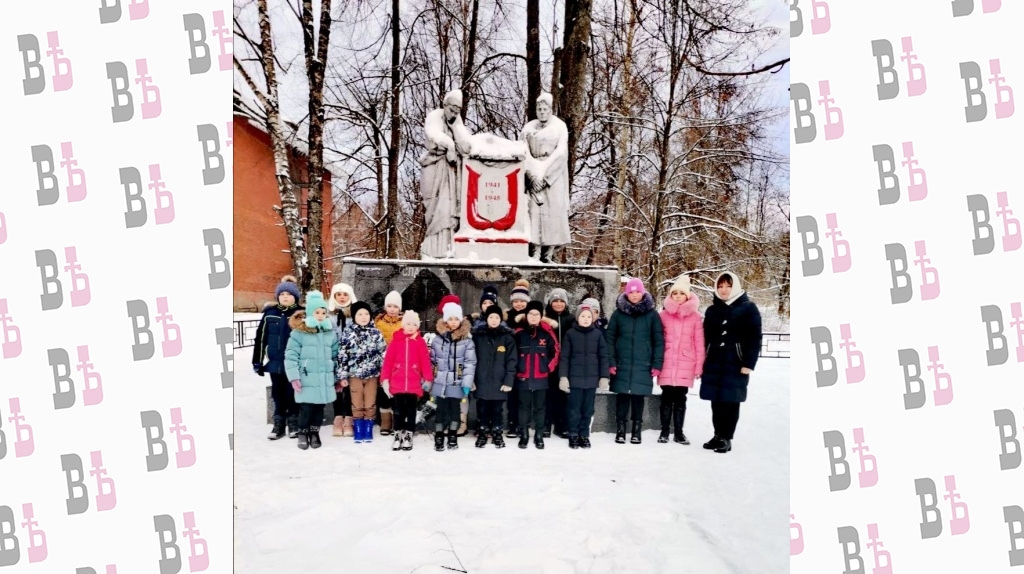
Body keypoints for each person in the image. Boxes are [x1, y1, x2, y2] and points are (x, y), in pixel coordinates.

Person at [700, 272, 763, 454]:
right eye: (720, 286)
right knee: (716, 400)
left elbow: (755, 338)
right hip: (714, 361)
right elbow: (705, 337)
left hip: (736, 362)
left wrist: (749, 363)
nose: (724, 290)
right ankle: (717, 435)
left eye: (728, 286)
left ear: (735, 286)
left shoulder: (748, 308)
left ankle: (726, 438)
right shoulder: (712, 310)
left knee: (730, 400)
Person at [606, 278, 665, 445]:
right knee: (622, 396)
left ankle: (636, 430)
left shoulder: (652, 315)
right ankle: (620, 429)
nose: (634, 295)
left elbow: (658, 340)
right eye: (631, 292)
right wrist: (611, 361)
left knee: (639, 397)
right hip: (622, 363)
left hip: (643, 364)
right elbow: (609, 338)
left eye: (637, 291)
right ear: (626, 293)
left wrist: (657, 363)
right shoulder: (618, 314)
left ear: (643, 292)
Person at [420, 89, 474, 258]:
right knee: (435, 208)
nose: (453, 114)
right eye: (451, 110)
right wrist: (450, 145)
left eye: (457, 111)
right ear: (445, 105)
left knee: (448, 210)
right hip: (434, 167)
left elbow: (466, 147)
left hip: (451, 174)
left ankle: (447, 248)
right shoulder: (435, 116)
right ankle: (433, 249)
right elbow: (432, 135)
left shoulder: (457, 122)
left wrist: (455, 128)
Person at [284, 291, 340, 450]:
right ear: (310, 313)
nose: (321, 316)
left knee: (319, 407)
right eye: (317, 312)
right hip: (306, 377)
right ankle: (303, 432)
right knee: (306, 407)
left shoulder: (329, 333)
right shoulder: (299, 333)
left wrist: (337, 377)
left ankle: (315, 432)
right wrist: (294, 377)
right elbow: (291, 355)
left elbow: (335, 355)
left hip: (324, 378)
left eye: (323, 312)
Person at [521, 92, 571, 263]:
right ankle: (535, 251)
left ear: (550, 110)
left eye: (545, 109)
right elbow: (523, 152)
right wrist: (532, 176)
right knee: (534, 213)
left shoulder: (560, 127)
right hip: (534, 176)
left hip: (553, 178)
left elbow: (561, 155)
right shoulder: (528, 128)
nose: (542, 112)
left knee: (554, 213)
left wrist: (546, 178)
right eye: (539, 109)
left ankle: (548, 254)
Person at [657, 275, 705, 445]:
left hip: (686, 363)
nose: (678, 296)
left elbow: (699, 343)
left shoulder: (695, 317)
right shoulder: (663, 315)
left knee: (680, 399)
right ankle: (664, 431)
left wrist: (699, 367)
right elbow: (657, 340)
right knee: (666, 397)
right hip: (667, 362)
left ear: (687, 296)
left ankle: (679, 432)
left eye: (681, 293)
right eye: (675, 293)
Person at [252, 276, 302, 440]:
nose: (285, 297)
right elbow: (260, 339)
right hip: (275, 362)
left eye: (289, 294)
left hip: (295, 363)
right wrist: (257, 361)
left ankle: (293, 422)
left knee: (293, 392)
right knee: (277, 393)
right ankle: (278, 423)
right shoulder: (269, 314)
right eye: (282, 294)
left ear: (295, 297)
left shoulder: (301, 314)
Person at [558, 301, 609, 449]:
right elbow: (565, 357)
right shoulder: (570, 334)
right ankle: (573, 434)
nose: (586, 319)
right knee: (574, 409)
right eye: (583, 316)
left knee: (588, 409)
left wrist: (604, 376)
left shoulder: (597, 334)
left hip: (592, 380)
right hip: (575, 379)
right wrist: (563, 377)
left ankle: (584, 434)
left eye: (589, 316)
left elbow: (603, 357)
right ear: (577, 318)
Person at [380, 311, 434, 451]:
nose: (411, 327)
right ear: (403, 325)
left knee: (411, 411)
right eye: (408, 323)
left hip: (413, 383)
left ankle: (409, 433)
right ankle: (398, 433)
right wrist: (385, 379)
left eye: (414, 324)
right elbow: (388, 362)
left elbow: (425, 361)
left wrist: (427, 378)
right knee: (398, 411)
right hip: (397, 383)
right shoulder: (395, 341)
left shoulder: (420, 342)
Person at [429, 303, 477, 451]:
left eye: (456, 319)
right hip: (440, 381)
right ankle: (439, 434)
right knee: (441, 409)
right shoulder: (437, 340)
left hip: (457, 382)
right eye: (450, 319)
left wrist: (466, 383)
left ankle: (452, 434)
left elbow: (470, 363)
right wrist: (430, 380)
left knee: (455, 409)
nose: (454, 322)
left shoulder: (467, 341)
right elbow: (432, 361)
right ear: (445, 320)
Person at [513, 300, 560, 449]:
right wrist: (517, 369)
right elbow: (512, 354)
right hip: (523, 376)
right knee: (523, 406)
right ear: (526, 315)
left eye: (536, 314)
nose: (533, 317)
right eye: (531, 314)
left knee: (540, 407)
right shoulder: (519, 333)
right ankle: (524, 433)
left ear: (541, 316)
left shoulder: (547, 333)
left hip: (541, 377)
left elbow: (555, 351)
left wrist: (548, 367)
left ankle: (539, 434)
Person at [338, 301, 386, 443]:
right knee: (357, 402)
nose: (364, 317)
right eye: (360, 314)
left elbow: (383, 354)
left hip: (372, 375)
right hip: (355, 375)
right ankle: (358, 427)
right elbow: (343, 355)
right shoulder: (348, 333)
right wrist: (343, 375)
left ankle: (368, 426)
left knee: (370, 402)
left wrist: (383, 374)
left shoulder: (376, 333)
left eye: (366, 314)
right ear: (354, 316)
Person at [471, 305, 517, 448]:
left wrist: (508, 380)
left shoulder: (507, 337)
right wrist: (472, 380)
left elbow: (512, 361)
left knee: (497, 409)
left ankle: (497, 432)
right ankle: (483, 432)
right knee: (482, 409)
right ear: (486, 318)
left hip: (499, 381)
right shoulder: (478, 336)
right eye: (491, 317)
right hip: (481, 380)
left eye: (497, 317)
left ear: (501, 319)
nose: (494, 320)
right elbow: (471, 359)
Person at [543, 287, 574, 438]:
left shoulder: (571, 319)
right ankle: (546, 424)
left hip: (565, 362)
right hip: (549, 362)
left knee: (563, 395)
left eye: (561, 301)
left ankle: (561, 425)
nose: (558, 303)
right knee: (548, 394)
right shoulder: (545, 318)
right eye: (555, 300)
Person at [328, 283, 357, 437]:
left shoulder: (354, 314)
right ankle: (338, 417)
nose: (342, 297)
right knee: (337, 388)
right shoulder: (328, 315)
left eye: (345, 294)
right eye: (338, 294)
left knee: (349, 388)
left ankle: (349, 418)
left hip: (351, 358)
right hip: (334, 356)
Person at [374, 290, 404, 436]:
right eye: (389, 306)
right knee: (383, 392)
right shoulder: (378, 323)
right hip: (383, 362)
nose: (392, 309)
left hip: (399, 363)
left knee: (396, 391)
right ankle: (385, 420)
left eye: (395, 306)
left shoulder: (404, 322)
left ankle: (395, 419)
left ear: (400, 308)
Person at [505, 278, 531, 438]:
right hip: (510, 360)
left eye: (522, 301)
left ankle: (524, 425)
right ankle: (512, 424)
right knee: (512, 396)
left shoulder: (531, 316)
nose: (519, 304)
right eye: (516, 301)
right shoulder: (506, 317)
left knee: (524, 397)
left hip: (527, 360)